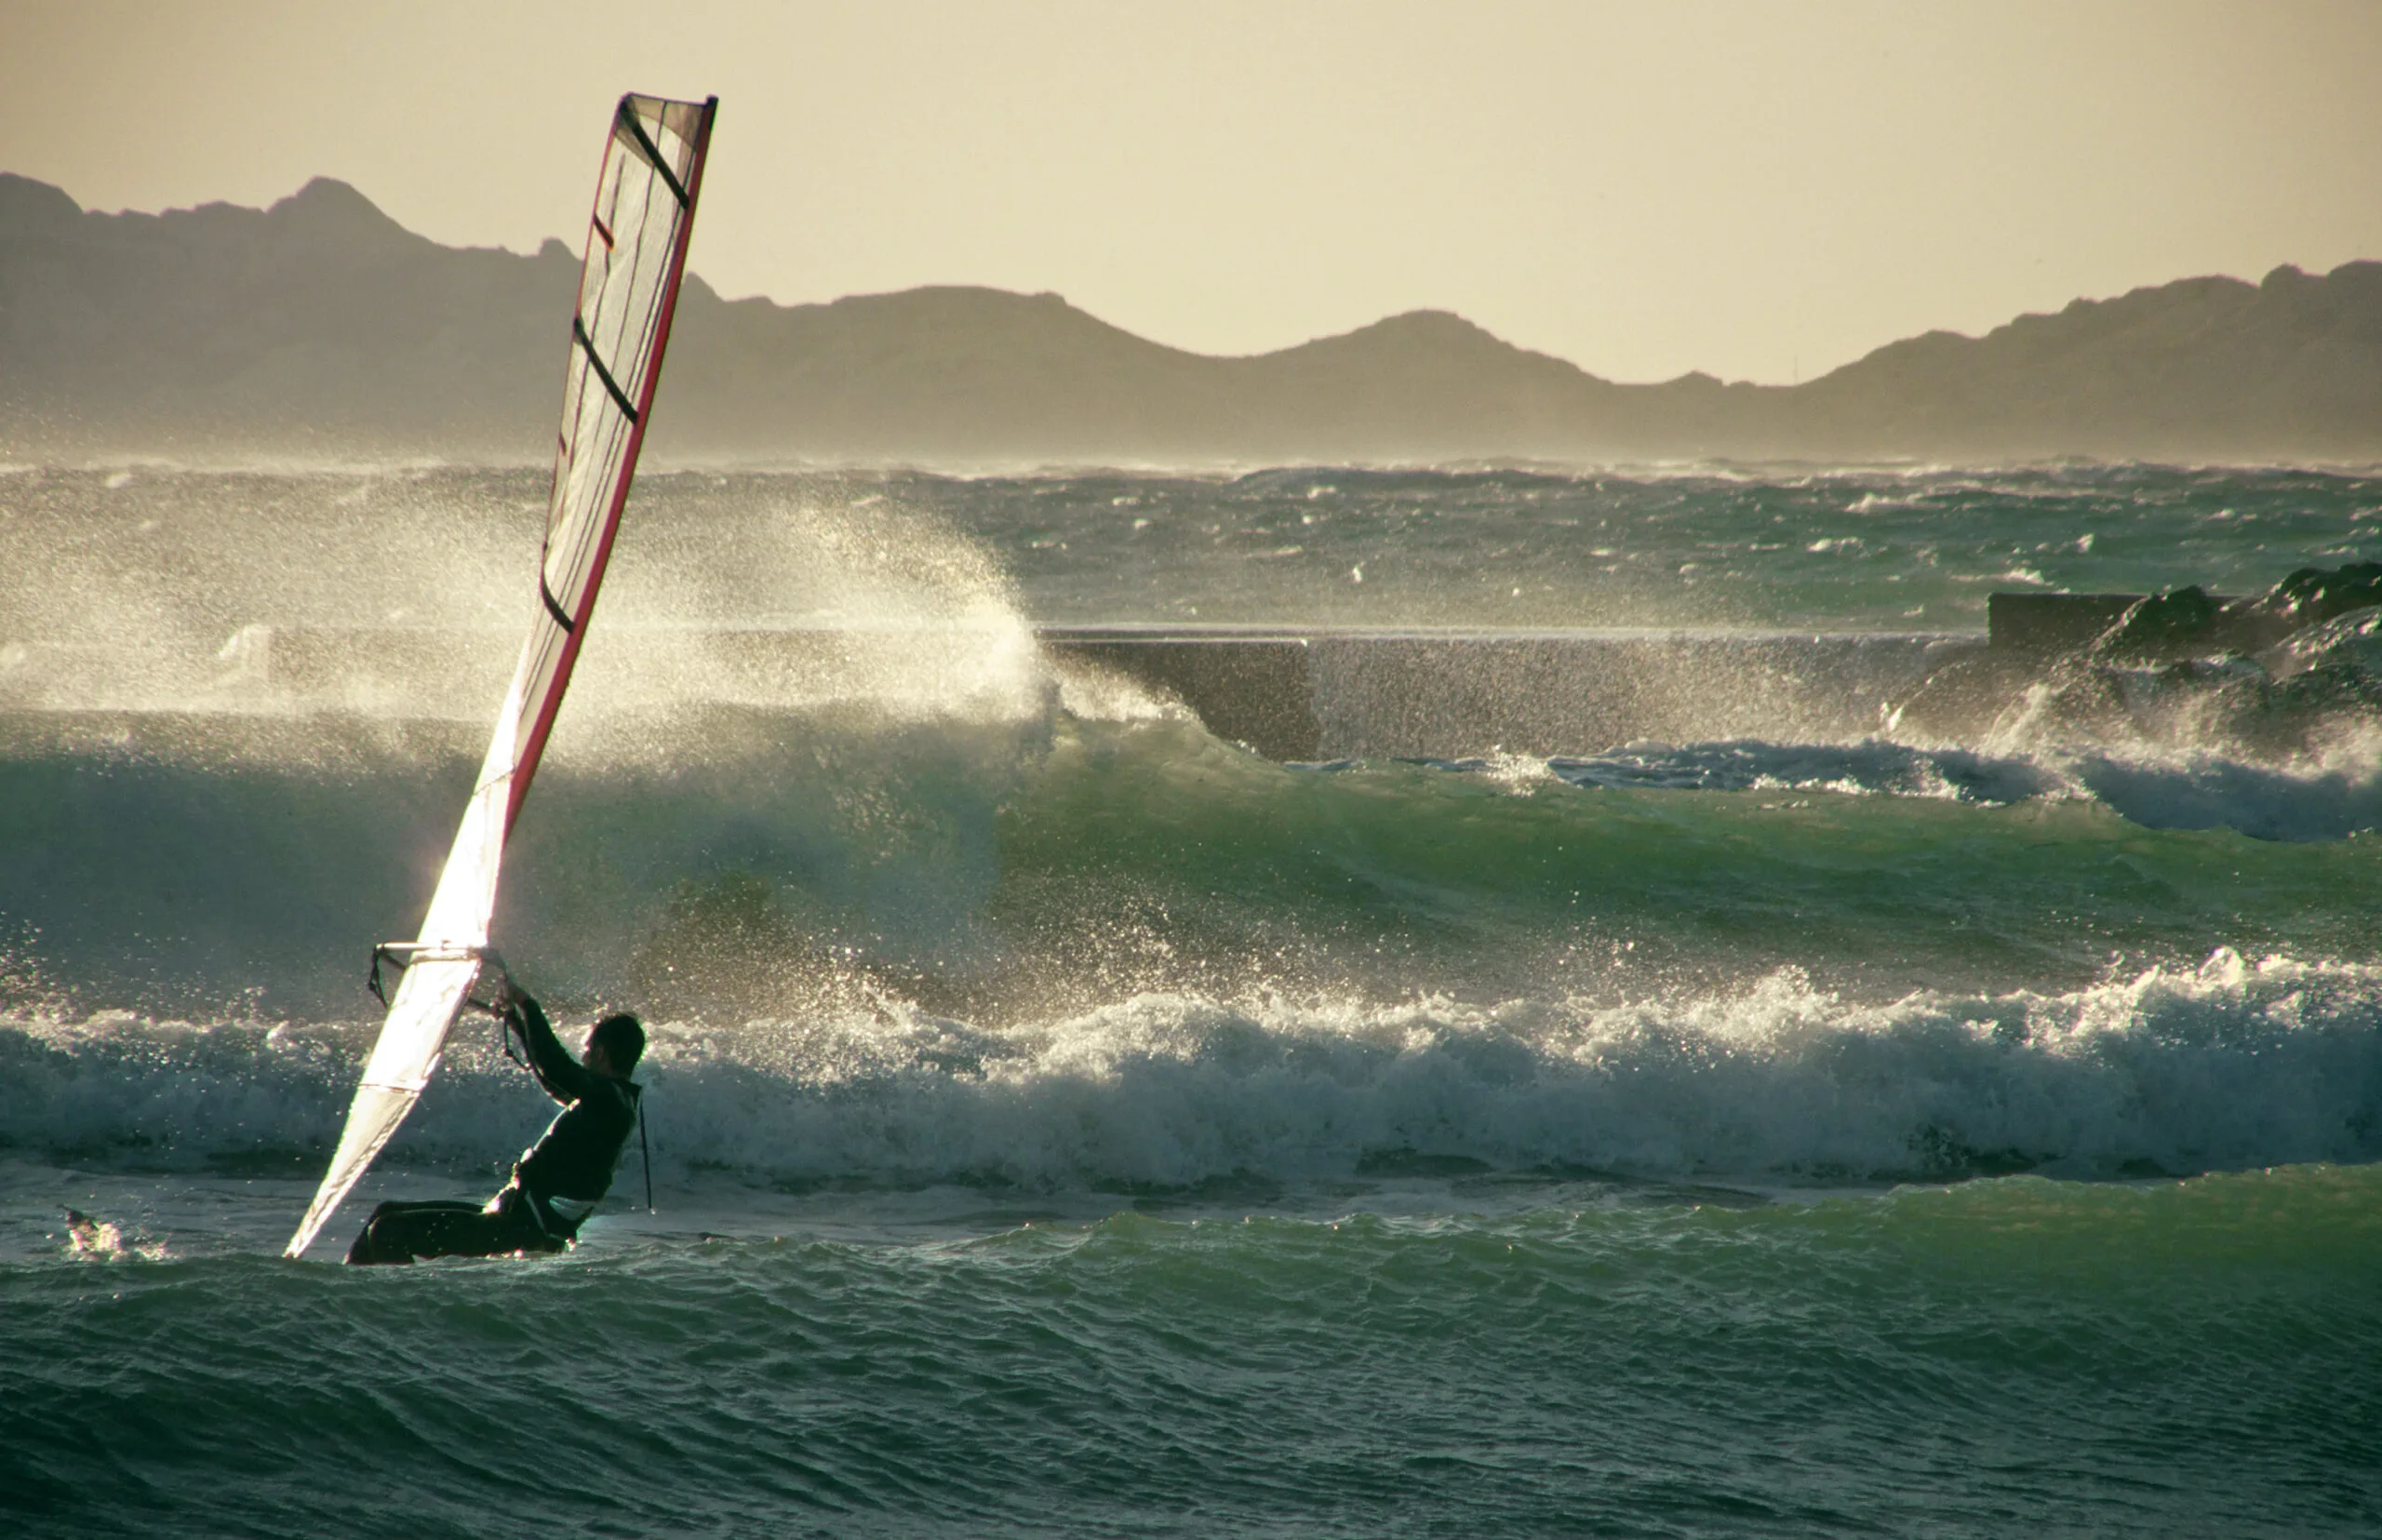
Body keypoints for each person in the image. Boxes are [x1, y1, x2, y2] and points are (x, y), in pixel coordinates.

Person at [346, 979, 645, 1265]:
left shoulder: (609, 1101)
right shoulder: (610, 1103)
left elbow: (557, 1068)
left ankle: (406, 1299)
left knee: (388, 1231)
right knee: (385, 1213)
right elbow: (555, 1082)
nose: (584, 1058)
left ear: (601, 1053)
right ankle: (352, 1292)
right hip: (509, 1217)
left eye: (587, 1051)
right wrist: (518, 1024)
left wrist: (527, 1004)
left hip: (520, 1228)